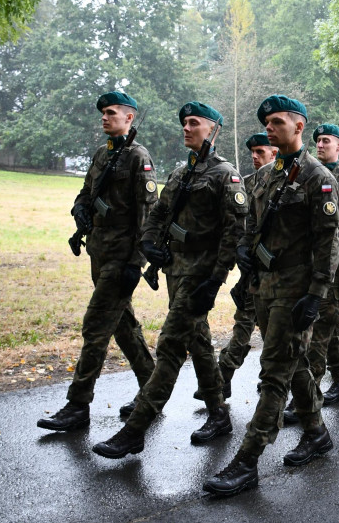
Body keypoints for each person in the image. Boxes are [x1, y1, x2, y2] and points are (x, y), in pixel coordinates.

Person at [202, 95, 339, 496]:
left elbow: (329, 241)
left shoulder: (318, 178)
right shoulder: (266, 176)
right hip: (264, 287)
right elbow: (252, 225)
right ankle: (316, 432)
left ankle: (247, 461)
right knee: (292, 362)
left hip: (296, 292)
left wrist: (316, 295)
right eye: (267, 122)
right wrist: (245, 254)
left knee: (274, 372)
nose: (270, 128)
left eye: (278, 122)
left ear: (299, 127)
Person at [92, 101, 244, 458]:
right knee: (200, 343)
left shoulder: (226, 175)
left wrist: (215, 280)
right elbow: (158, 212)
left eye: (194, 123)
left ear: (214, 130)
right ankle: (219, 412)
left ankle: (135, 430)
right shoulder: (180, 173)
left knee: (171, 346)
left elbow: (234, 233)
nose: (186, 128)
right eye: (185, 124)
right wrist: (148, 242)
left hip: (200, 276)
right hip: (176, 271)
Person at [38, 91, 158, 431]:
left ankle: (78, 405)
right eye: (102, 113)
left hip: (121, 258)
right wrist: (79, 208)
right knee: (122, 325)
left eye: (110, 113)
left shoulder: (138, 157)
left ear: (129, 118)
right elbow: (86, 192)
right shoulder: (103, 154)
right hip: (99, 252)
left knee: (95, 326)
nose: (104, 118)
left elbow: (147, 215)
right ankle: (152, 386)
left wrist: (136, 261)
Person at [295, 123, 339, 411]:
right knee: (330, 328)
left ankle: (309, 394)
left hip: (333, 272)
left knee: (318, 334)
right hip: (310, 267)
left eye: (327, 141)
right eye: (319, 141)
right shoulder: (308, 176)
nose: (321, 145)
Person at [206, 132, 276, 401]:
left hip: (280, 275)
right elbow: (237, 227)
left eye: (261, 151)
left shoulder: (288, 183)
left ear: (274, 152)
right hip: (252, 272)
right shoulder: (245, 185)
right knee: (242, 328)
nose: (255, 157)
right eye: (252, 152)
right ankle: (224, 378)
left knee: (279, 337)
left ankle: (276, 382)